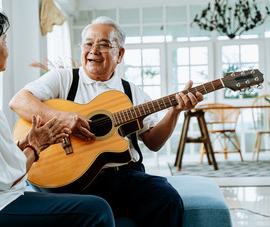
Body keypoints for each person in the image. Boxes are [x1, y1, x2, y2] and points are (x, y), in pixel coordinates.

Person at [10, 16, 204, 226]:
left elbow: (154, 143)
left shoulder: (132, 93)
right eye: (88, 43)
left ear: (119, 54)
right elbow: (19, 101)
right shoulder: (63, 79)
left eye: (103, 45)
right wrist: (63, 118)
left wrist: (175, 111)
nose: (94, 50)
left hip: (125, 177)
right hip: (73, 178)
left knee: (167, 198)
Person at [0, 8, 116, 227]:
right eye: (4, 41)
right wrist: (36, 146)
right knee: (98, 210)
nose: (8, 50)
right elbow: (1, 177)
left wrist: (24, 142)